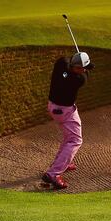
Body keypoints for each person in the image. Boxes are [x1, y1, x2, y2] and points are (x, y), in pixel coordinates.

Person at [42, 52, 93, 190]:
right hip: (65, 111)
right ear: (78, 69)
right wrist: (85, 64)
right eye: (82, 68)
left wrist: (78, 58)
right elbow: (86, 74)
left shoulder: (61, 65)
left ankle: (62, 162)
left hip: (53, 107)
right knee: (75, 140)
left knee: (68, 137)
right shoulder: (79, 79)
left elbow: (65, 59)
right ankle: (53, 173)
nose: (83, 70)